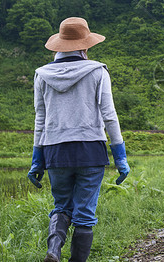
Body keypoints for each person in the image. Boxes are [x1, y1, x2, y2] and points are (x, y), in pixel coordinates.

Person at [27, 17, 130, 262]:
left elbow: (40, 119)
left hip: (55, 151)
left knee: (62, 206)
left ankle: (54, 250)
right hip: (89, 151)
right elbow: (109, 115)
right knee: (84, 213)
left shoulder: (41, 76)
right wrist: (120, 156)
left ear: (60, 45)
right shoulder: (97, 71)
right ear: (85, 47)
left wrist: (36, 158)